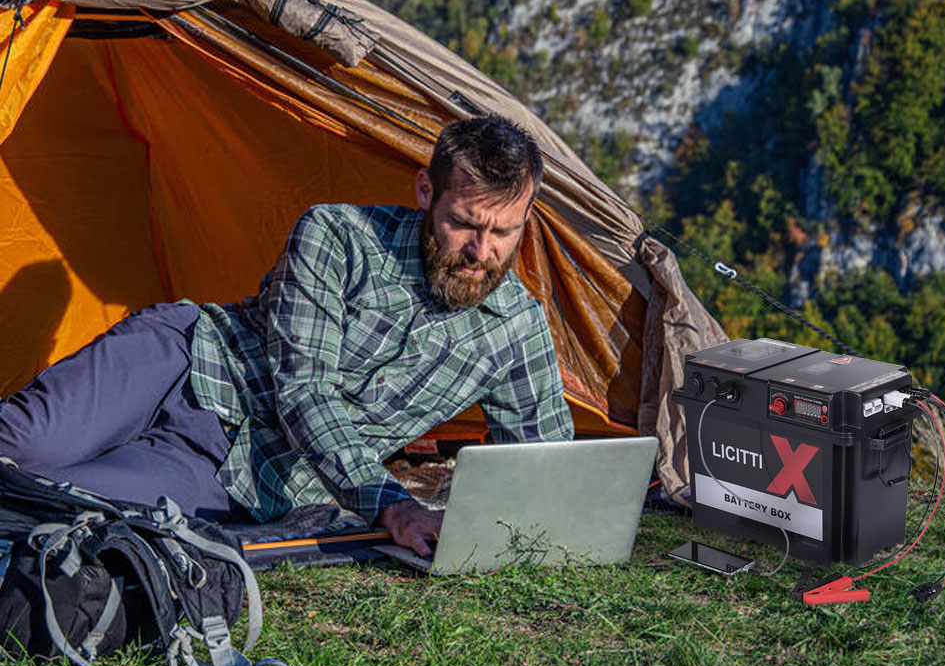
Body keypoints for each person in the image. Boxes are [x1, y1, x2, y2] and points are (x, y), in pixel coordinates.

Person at [0, 116, 573, 555]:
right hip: (180, 361)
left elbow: (547, 469)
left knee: (52, 498)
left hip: (241, 474)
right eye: (465, 223)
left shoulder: (516, 331)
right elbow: (307, 391)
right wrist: (390, 505)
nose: (482, 250)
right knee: (20, 446)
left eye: (505, 231)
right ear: (426, 191)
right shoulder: (338, 235)